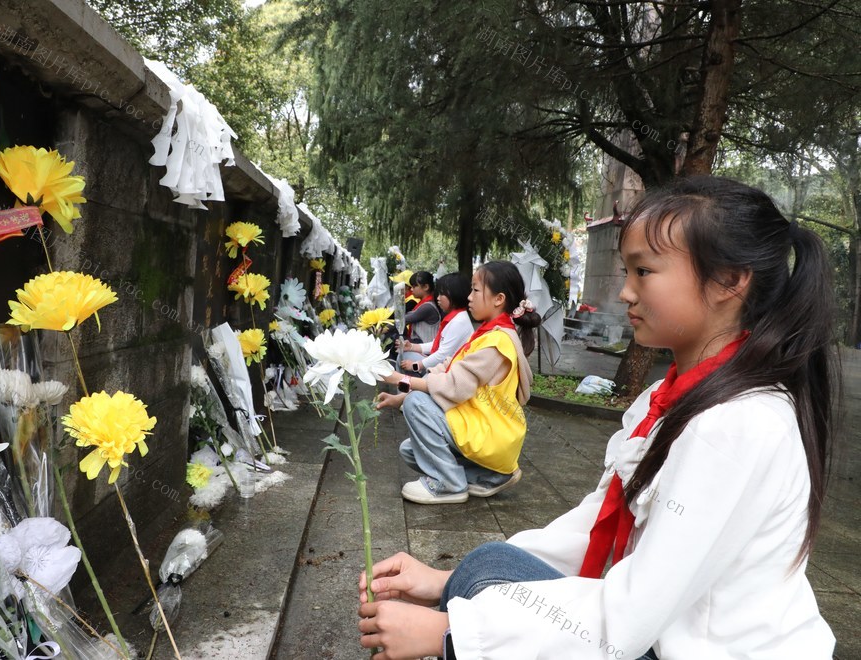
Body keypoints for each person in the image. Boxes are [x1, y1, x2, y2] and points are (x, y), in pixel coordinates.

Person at [357, 176, 840, 659]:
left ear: (729, 281)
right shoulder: (668, 398)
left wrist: (452, 634)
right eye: (627, 271)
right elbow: (597, 524)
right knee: (484, 567)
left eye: (644, 271)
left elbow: (630, 615)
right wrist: (448, 582)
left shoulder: (735, 425)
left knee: (478, 592)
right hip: (655, 630)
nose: (626, 292)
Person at [377, 260, 542, 505]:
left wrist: (399, 379)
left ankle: (449, 484)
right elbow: (447, 368)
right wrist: (399, 396)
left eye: (475, 290)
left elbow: (453, 386)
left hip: (490, 435)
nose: (469, 297)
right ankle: (490, 475)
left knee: (416, 403)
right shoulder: (488, 333)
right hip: (485, 431)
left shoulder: (497, 342)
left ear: (499, 299)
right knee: (411, 450)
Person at [399, 272, 474, 376]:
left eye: (442, 294)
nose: (438, 298)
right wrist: (411, 346)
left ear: (455, 294)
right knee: (404, 354)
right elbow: (437, 344)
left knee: (403, 360)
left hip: (447, 372)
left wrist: (415, 365)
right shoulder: (455, 317)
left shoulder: (459, 321)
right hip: (442, 366)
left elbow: (442, 355)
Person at [402, 271, 441, 345]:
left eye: (414, 286)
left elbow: (403, 320)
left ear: (426, 287)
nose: (411, 289)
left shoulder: (427, 307)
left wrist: (385, 328)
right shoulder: (424, 303)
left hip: (426, 348)